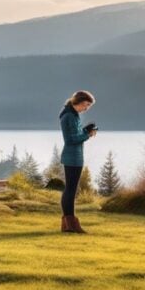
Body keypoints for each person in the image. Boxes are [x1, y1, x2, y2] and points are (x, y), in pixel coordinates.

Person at [59, 90, 96, 233]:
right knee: (70, 190)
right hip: (71, 157)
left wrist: (85, 130)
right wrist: (87, 134)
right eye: (86, 105)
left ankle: (69, 224)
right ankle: (70, 224)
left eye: (88, 106)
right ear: (78, 102)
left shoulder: (74, 115)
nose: (86, 108)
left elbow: (76, 134)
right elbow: (70, 140)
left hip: (76, 156)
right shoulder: (68, 116)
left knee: (71, 190)